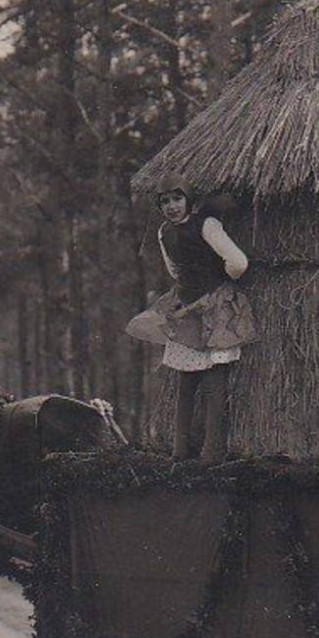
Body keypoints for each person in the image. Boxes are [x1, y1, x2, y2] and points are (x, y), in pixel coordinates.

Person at [127, 174, 256, 464]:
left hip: (214, 307)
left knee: (214, 380)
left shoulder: (207, 225)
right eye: (165, 202)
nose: (172, 206)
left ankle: (211, 453)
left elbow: (238, 262)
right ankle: (181, 450)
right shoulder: (165, 232)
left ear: (188, 200)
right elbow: (174, 269)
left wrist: (221, 280)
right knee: (187, 382)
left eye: (177, 199)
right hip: (187, 308)